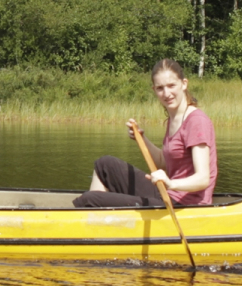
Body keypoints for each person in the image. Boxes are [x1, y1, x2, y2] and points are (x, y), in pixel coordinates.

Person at [73, 58, 216, 209]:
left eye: (171, 86)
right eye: (160, 88)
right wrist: (141, 139)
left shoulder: (196, 121)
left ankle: (93, 213)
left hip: (185, 203)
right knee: (104, 165)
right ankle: (102, 217)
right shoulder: (174, 118)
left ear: (184, 84)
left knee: (89, 199)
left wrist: (170, 183)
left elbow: (203, 179)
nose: (166, 93)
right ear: (154, 90)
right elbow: (162, 161)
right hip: (167, 194)